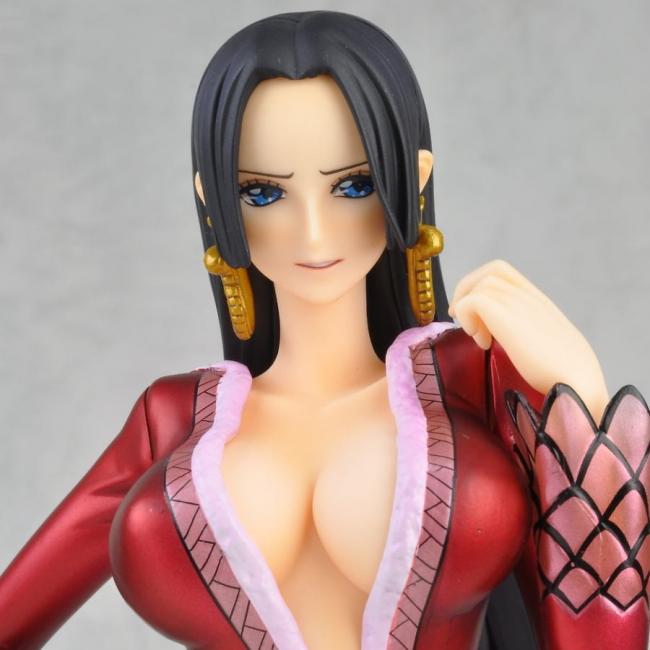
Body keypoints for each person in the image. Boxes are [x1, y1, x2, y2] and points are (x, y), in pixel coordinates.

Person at [1, 10, 648, 650]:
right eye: (262, 193)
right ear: (212, 200)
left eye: (354, 185)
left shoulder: (473, 380)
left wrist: (584, 406)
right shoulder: (170, 420)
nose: (313, 234)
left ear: (413, 179)